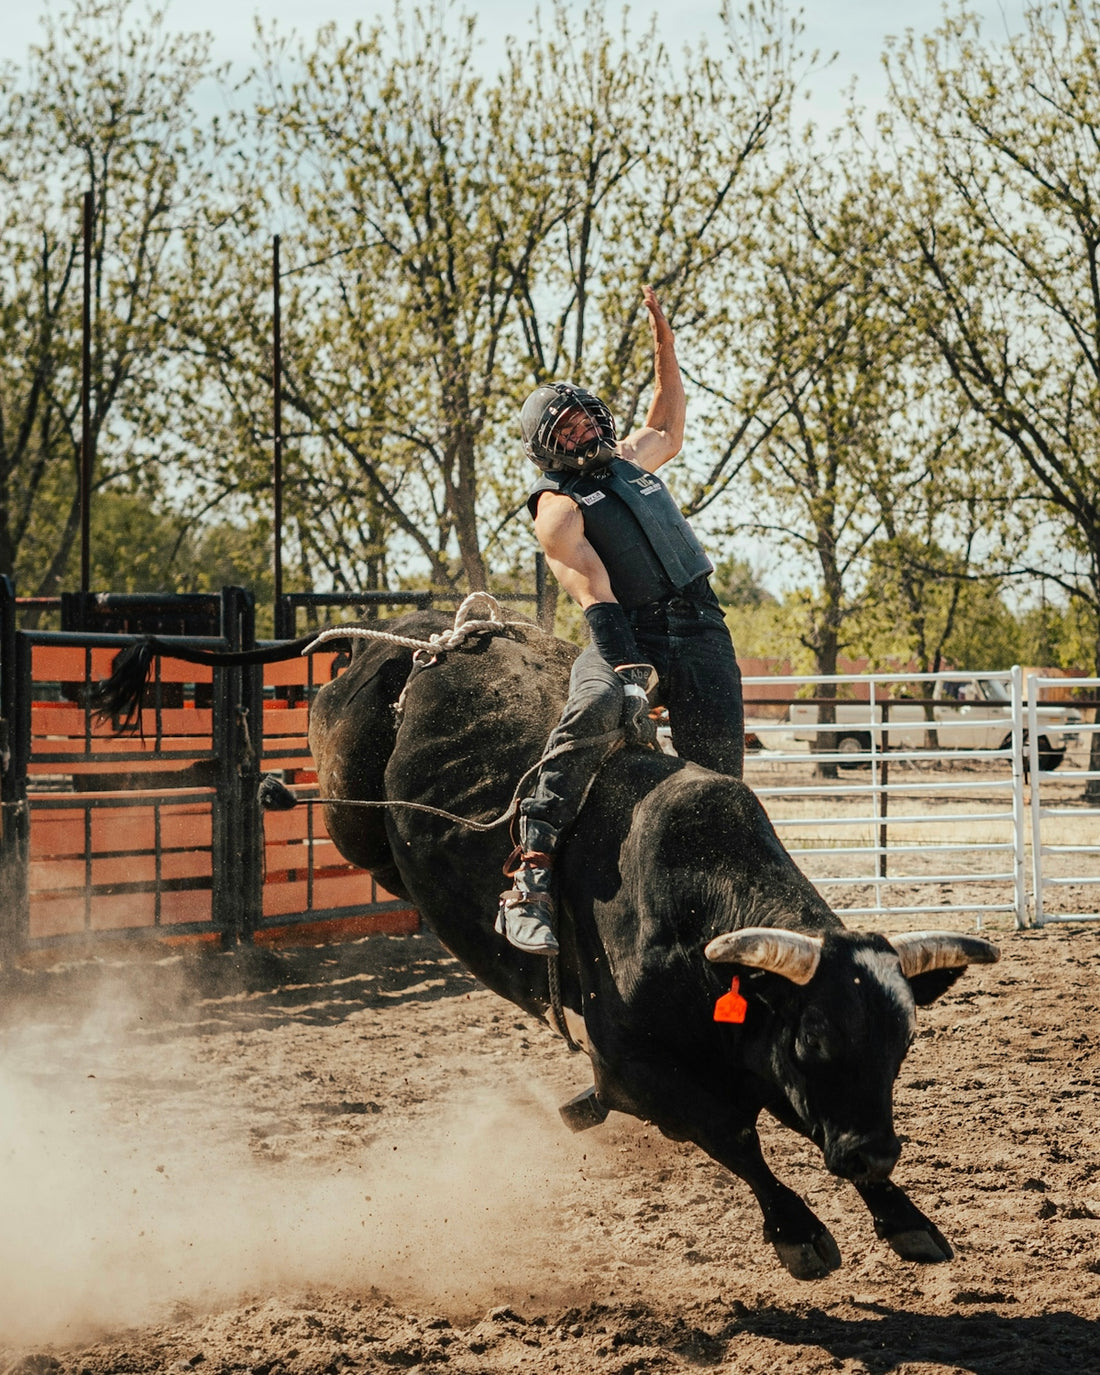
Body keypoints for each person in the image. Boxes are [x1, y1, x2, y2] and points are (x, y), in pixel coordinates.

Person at [497, 285, 745, 956]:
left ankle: (717, 899)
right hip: (624, 630)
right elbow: (593, 591)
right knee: (592, 710)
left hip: (702, 625)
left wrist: (663, 338)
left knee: (721, 774)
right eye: (566, 428)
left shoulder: (633, 460)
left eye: (583, 416)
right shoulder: (556, 507)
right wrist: (630, 670)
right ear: (548, 448)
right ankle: (531, 872)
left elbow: (669, 416)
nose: (582, 429)